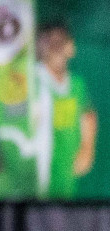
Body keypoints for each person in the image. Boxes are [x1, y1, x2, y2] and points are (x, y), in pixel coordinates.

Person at [35, 21, 97, 199]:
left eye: (61, 41)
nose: (56, 47)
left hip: (67, 173)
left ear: (71, 47)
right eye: (50, 41)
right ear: (40, 46)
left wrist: (87, 148)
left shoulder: (77, 84)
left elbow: (88, 114)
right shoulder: (32, 81)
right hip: (37, 175)